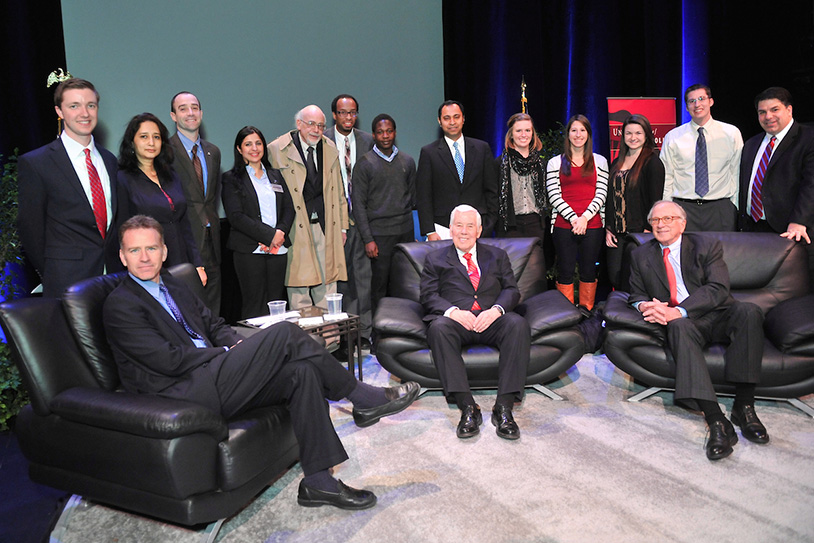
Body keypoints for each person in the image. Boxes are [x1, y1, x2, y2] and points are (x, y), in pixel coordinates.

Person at [104, 215, 420, 509]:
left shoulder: (174, 284)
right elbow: (168, 361)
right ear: (122, 256)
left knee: (302, 370)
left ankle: (319, 481)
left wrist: (236, 346)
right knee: (284, 333)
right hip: (181, 391)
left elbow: (213, 325)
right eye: (134, 250)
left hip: (212, 374)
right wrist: (227, 355)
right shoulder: (121, 305)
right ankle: (362, 397)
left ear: (164, 251)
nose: (144, 257)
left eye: (151, 248)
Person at [629, 201, 768, 460]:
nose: (661, 224)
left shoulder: (705, 246)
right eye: (656, 220)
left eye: (668, 218)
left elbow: (717, 288)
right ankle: (716, 420)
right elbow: (635, 294)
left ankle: (744, 406)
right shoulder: (640, 255)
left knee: (749, 311)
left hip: (718, 313)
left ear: (682, 223)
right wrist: (645, 305)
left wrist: (678, 310)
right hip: (687, 324)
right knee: (678, 326)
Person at [420, 205, 530, 440]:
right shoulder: (434, 258)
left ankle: (504, 408)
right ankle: (468, 407)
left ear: (479, 231)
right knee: (438, 328)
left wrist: (496, 310)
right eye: (459, 225)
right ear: (450, 229)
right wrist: (452, 312)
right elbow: (428, 296)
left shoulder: (497, 255)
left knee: (517, 324)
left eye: (470, 226)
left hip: (491, 320)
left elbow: (512, 290)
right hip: (457, 322)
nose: (464, 231)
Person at [18, 77, 123, 298]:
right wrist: (53, 272)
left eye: (90, 105)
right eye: (74, 106)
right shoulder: (37, 163)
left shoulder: (109, 160)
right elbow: (31, 229)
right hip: (67, 281)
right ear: (59, 111)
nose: (84, 113)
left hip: (114, 276)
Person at [268, 105, 348, 311]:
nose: (316, 130)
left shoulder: (330, 148)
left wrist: (343, 227)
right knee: (299, 289)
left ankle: (329, 342)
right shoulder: (276, 149)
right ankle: (305, 341)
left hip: (325, 225)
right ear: (299, 124)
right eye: (311, 124)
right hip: (295, 228)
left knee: (328, 284)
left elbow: (339, 191)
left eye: (321, 125)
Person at [117, 113, 205, 284]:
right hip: (147, 264)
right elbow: (123, 230)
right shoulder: (123, 178)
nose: (151, 142)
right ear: (132, 142)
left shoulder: (170, 175)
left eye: (156, 137)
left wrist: (197, 264)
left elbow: (184, 223)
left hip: (181, 261)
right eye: (144, 137)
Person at [738, 87, 814, 278]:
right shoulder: (751, 144)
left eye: (774, 109)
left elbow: (811, 184)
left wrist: (798, 222)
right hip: (753, 229)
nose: (768, 116)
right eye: (762, 112)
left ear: (789, 110)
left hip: (791, 231)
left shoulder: (808, 138)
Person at [221, 126, 295, 319]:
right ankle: (256, 347)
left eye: (258, 143)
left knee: (276, 304)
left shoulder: (276, 175)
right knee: (255, 306)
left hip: (277, 250)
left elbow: (289, 209)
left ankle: (276, 348)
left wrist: (279, 234)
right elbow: (236, 217)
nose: (254, 148)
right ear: (239, 149)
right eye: (248, 144)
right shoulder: (231, 179)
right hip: (249, 251)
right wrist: (268, 235)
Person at [351, 114, 416, 316]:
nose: (385, 136)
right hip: (379, 237)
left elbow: (411, 199)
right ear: (373, 135)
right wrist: (368, 239)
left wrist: (412, 235)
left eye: (389, 131)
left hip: (404, 234)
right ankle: (378, 335)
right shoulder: (364, 164)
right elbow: (358, 205)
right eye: (380, 132)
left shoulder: (407, 161)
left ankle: (405, 329)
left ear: (395, 133)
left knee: (405, 285)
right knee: (379, 288)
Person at [324, 94, 375, 349]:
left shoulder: (368, 140)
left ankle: (363, 333)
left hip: (363, 219)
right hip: (335, 221)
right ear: (334, 115)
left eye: (353, 112)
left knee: (364, 281)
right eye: (343, 113)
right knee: (340, 283)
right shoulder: (322, 140)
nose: (348, 117)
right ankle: (343, 335)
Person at [545, 114, 608, 310]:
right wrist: (574, 219)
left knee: (589, 270)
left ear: (588, 134)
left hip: (593, 224)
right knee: (565, 270)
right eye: (574, 130)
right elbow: (553, 195)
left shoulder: (600, 161)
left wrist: (585, 218)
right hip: (564, 224)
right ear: (568, 134)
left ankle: (586, 311)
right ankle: (566, 314)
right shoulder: (555, 162)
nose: (578, 134)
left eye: (582, 130)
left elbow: (602, 193)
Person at [660, 84, 743, 232]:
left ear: (710, 101)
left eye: (701, 99)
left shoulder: (731, 133)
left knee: (722, 254)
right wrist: (668, 209)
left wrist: (733, 206)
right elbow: (667, 175)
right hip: (684, 209)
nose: (697, 104)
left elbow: (736, 171)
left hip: (720, 209)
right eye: (691, 101)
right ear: (686, 107)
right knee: (686, 254)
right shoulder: (673, 137)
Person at [169, 91, 223, 314]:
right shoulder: (164, 151)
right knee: (188, 310)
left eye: (194, 108)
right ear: (173, 116)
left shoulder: (213, 152)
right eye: (183, 108)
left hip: (212, 240)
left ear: (201, 113)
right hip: (182, 242)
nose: (190, 113)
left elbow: (210, 198)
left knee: (214, 308)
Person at [416, 100, 499, 239]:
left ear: (463, 119)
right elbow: (423, 196)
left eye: (456, 117)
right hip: (443, 229)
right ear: (439, 121)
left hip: (478, 228)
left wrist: (488, 225)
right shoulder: (429, 153)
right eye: (446, 118)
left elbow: (492, 190)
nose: (452, 122)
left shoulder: (481, 148)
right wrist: (430, 231)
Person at [605, 114, 665, 290]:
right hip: (617, 233)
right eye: (629, 133)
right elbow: (610, 198)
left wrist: (649, 229)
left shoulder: (653, 162)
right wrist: (609, 227)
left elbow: (656, 201)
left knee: (633, 280)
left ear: (646, 135)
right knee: (614, 276)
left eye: (638, 133)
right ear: (623, 136)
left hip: (640, 232)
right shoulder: (617, 162)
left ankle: (631, 316)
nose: (633, 137)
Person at [496, 113, 548, 243]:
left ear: (532, 134)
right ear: (511, 134)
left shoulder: (541, 163)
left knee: (535, 263)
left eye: (527, 130)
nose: (523, 134)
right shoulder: (500, 163)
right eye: (518, 130)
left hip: (535, 224)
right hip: (510, 225)